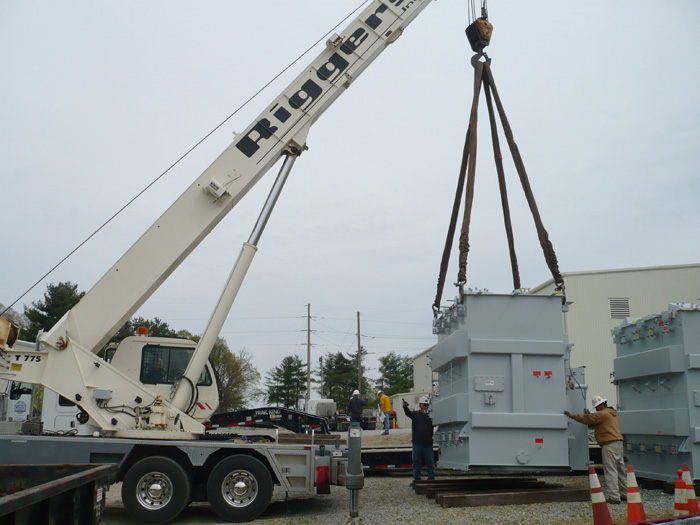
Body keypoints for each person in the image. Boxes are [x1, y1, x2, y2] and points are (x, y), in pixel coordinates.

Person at [565, 396, 627, 504]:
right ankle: (624, 494)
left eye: (596, 407)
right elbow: (596, 423)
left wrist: (572, 416)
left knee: (610, 471)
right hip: (618, 443)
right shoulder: (612, 413)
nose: (596, 409)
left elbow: (587, 419)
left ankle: (614, 497)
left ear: (600, 406)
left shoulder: (602, 414)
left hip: (609, 445)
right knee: (620, 470)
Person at [403, 396, 434, 481]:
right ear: (420, 405)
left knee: (430, 462)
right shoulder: (416, 414)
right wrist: (405, 407)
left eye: (428, 405)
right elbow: (408, 413)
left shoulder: (431, 416)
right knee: (416, 461)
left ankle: (431, 478)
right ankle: (417, 478)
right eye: (425, 405)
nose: (427, 406)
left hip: (428, 443)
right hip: (417, 443)